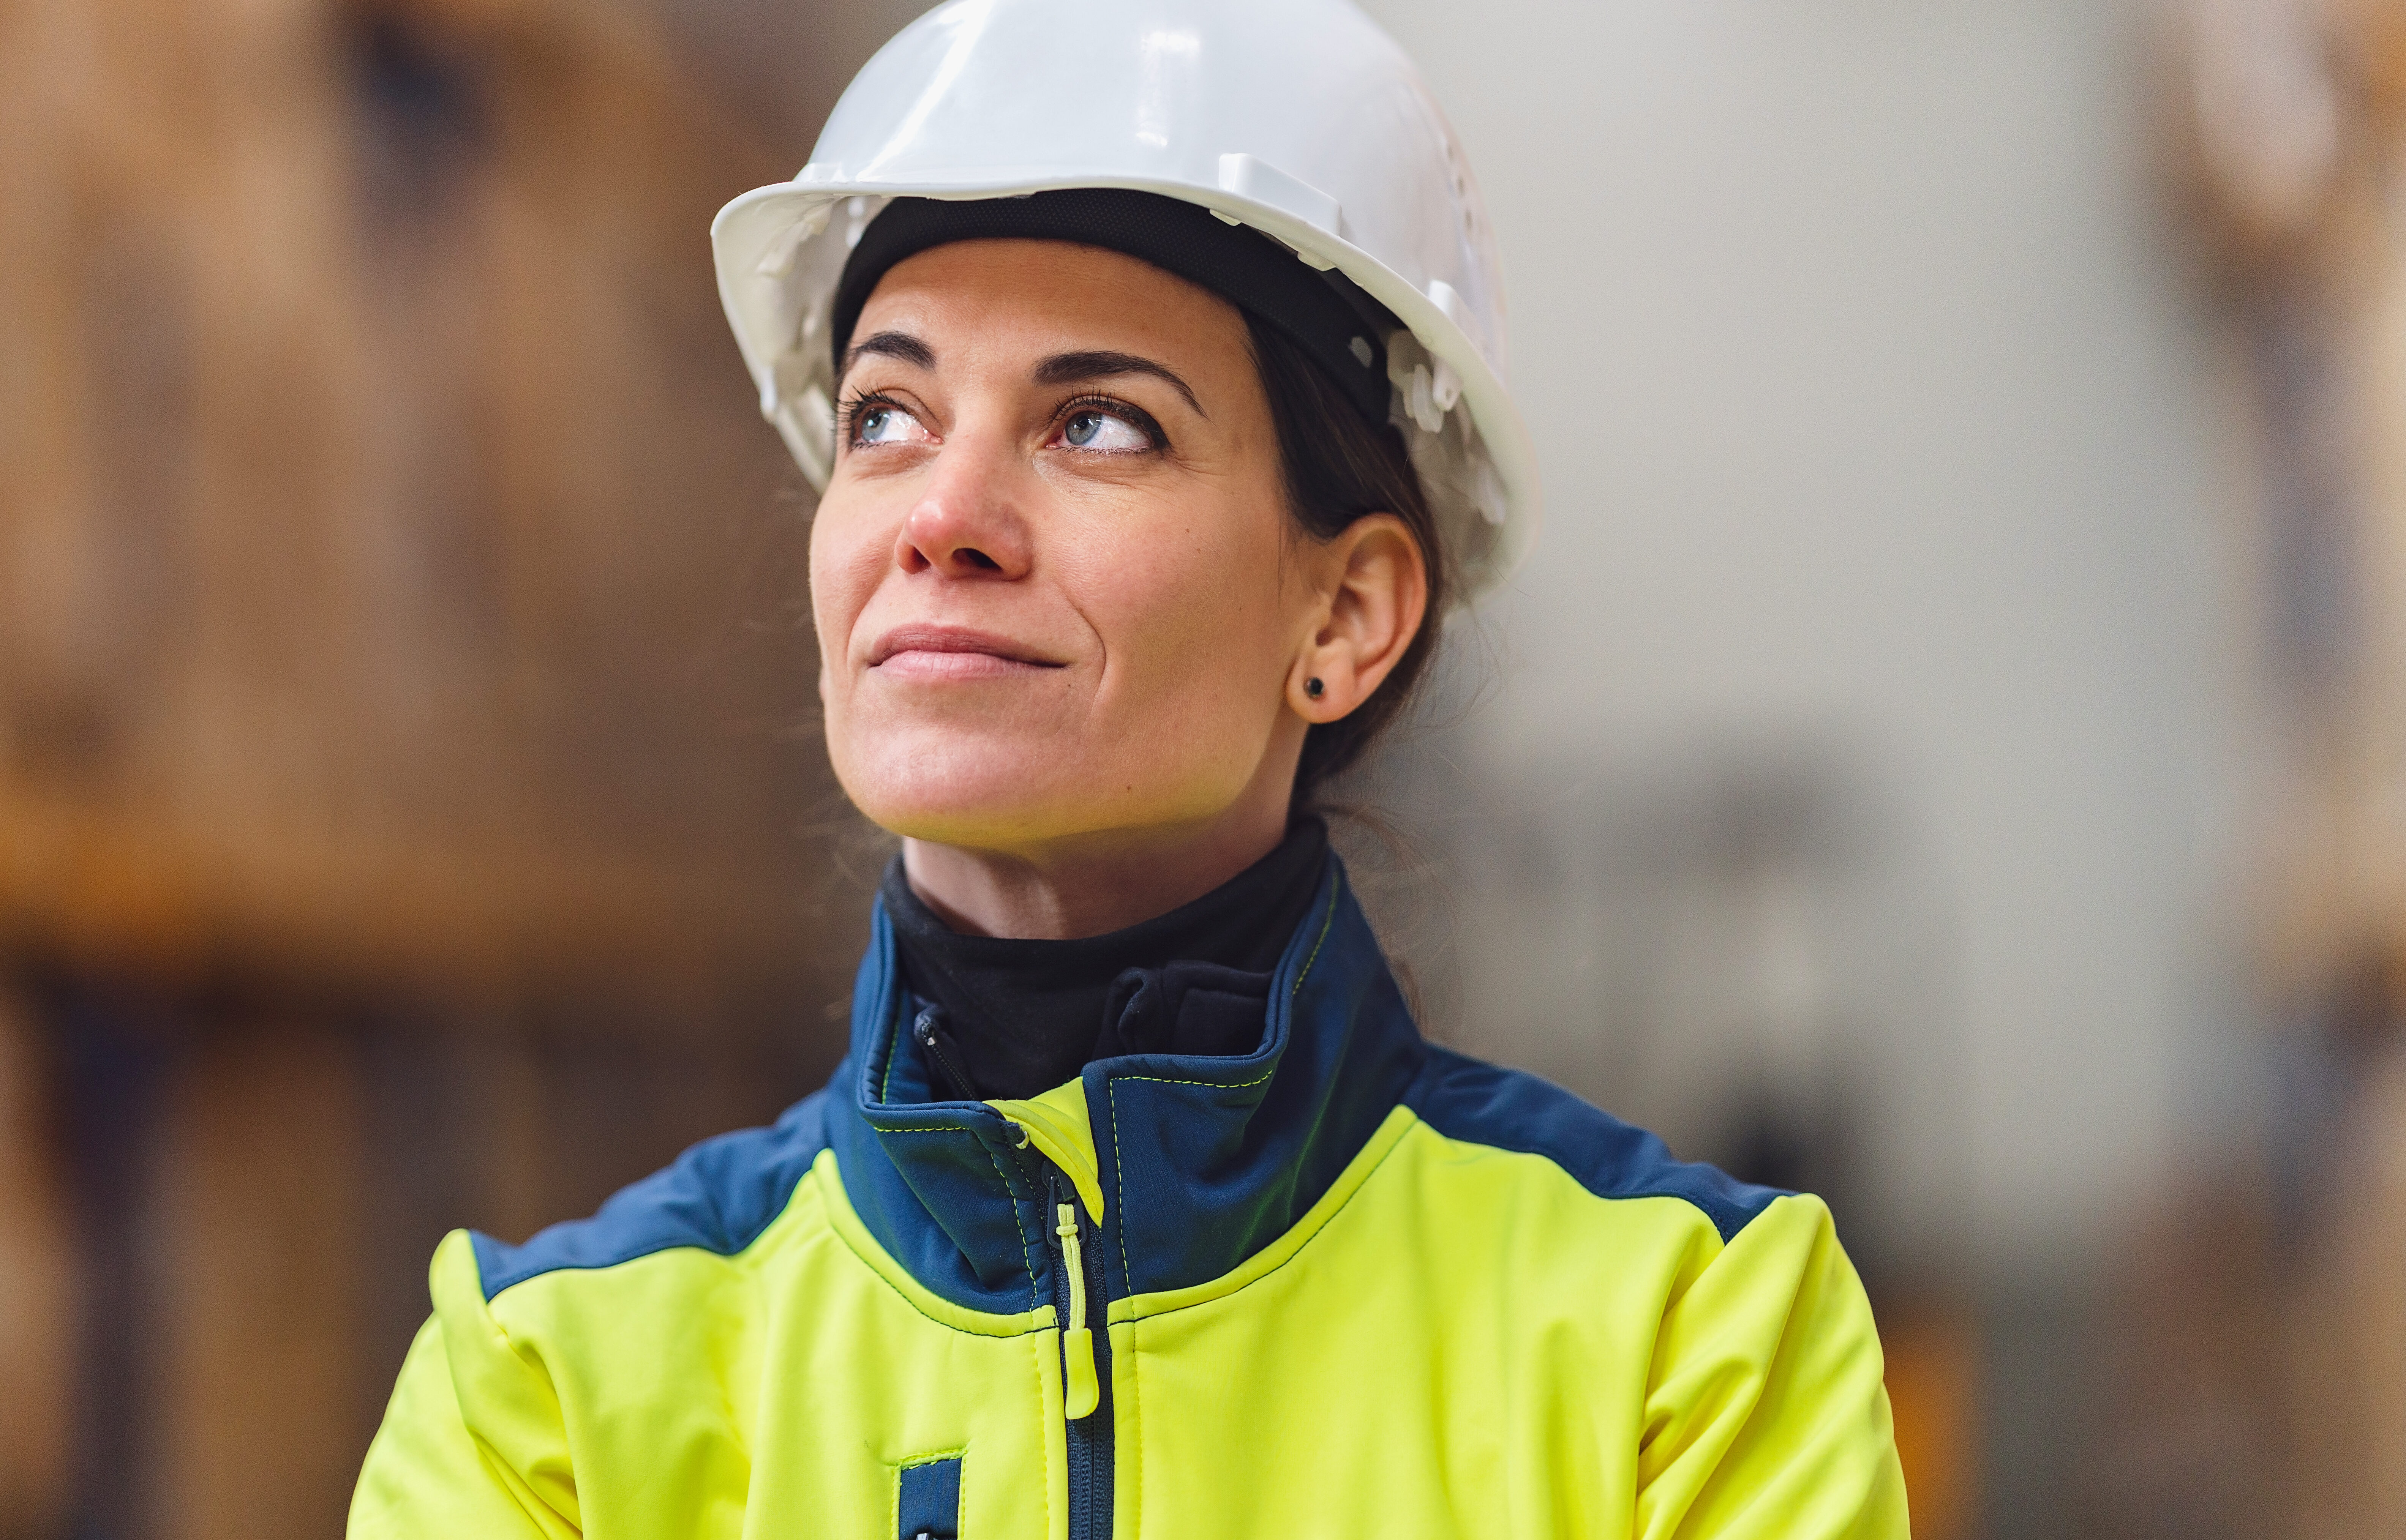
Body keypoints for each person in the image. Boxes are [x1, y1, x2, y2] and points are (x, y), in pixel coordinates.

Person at [350, 1, 1909, 1535]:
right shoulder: (549, 1393)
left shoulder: (1689, 1347)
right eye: (886, 414)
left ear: (1347, 613)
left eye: (1099, 424)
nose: (939, 515)